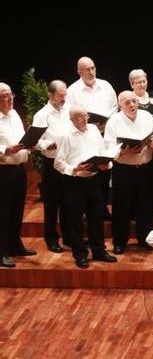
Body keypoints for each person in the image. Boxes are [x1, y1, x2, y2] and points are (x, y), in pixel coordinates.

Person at [54, 106, 116, 268]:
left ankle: (99, 251)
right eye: (80, 117)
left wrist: (106, 164)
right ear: (72, 120)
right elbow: (58, 163)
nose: (85, 119)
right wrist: (75, 168)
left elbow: (103, 152)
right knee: (75, 221)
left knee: (96, 217)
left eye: (86, 115)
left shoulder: (94, 129)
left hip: (94, 180)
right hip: (75, 183)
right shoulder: (66, 136)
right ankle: (80, 254)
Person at [104, 91, 153, 253]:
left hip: (145, 169)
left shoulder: (146, 116)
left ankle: (145, 240)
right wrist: (124, 152)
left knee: (145, 206)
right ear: (120, 105)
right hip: (124, 170)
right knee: (121, 207)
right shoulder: (114, 122)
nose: (132, 105)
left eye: (134, 101)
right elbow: (108, 147)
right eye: (127, 102)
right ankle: (119, 242)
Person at [68, 56, 117, 218]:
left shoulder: (106, 86)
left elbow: (115, 107)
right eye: (87, 69)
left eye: (93, 68)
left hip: (105, 134)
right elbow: (70, 114)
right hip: (84, 136)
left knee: (104, 171)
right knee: (87, 171)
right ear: (79, 71)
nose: (91, 72)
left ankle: (102, 208)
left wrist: (108, 120)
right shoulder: (73, 91)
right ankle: (84, 210)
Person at [32, 80, 72, 252]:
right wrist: (47, 144)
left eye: (65, 94)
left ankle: (70, 237)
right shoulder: (42, 114)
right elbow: (34, 141)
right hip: (52, 163)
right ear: (50, 95)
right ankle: (51, 238)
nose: (64, 98)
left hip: (68, 162)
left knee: (68, 202)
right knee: (52, 203)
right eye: (60, 95)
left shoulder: (68, 110)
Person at [0, 83, 35, 268]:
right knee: (3, 212)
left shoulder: (13, 115)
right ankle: (1, 252)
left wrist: (31, 143)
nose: (10, 99)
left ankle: (15, 245)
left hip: (19, 169)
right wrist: (6, 149)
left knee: (16, 209)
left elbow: (22, 137)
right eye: (5, 96)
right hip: (3, 171)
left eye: (11, 94)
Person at [129, 69, 153, 221]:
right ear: (132, 84)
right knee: (138, 181)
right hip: (138, 147)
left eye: (144, 81)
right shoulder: (130, 100)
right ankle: (135, 212)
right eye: (138, 82)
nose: (142, 84)